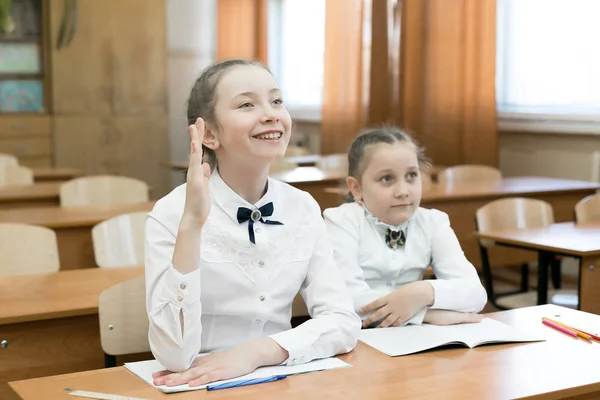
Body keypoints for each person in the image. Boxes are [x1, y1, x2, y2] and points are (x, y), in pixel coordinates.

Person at [145, 59, 360, 387]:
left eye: (276, 101)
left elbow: (343, 322)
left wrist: (257, 352)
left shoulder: (302, 206)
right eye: (247, 104)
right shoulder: (171, 213)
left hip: (283, 377)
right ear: (210, 134)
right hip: (199, 385)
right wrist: (191, 225)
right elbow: (174, 356)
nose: (272, 113)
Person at [323, 127, 487, 329]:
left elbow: (476, 294)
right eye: (387, 179)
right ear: (356, 188)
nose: (403, 191)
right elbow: (347, 300)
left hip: (415, 340)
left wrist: (424, 292)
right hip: (357, 337)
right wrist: (424, 313)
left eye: (411, 175)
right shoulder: (341, 221)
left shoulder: (433, 222)